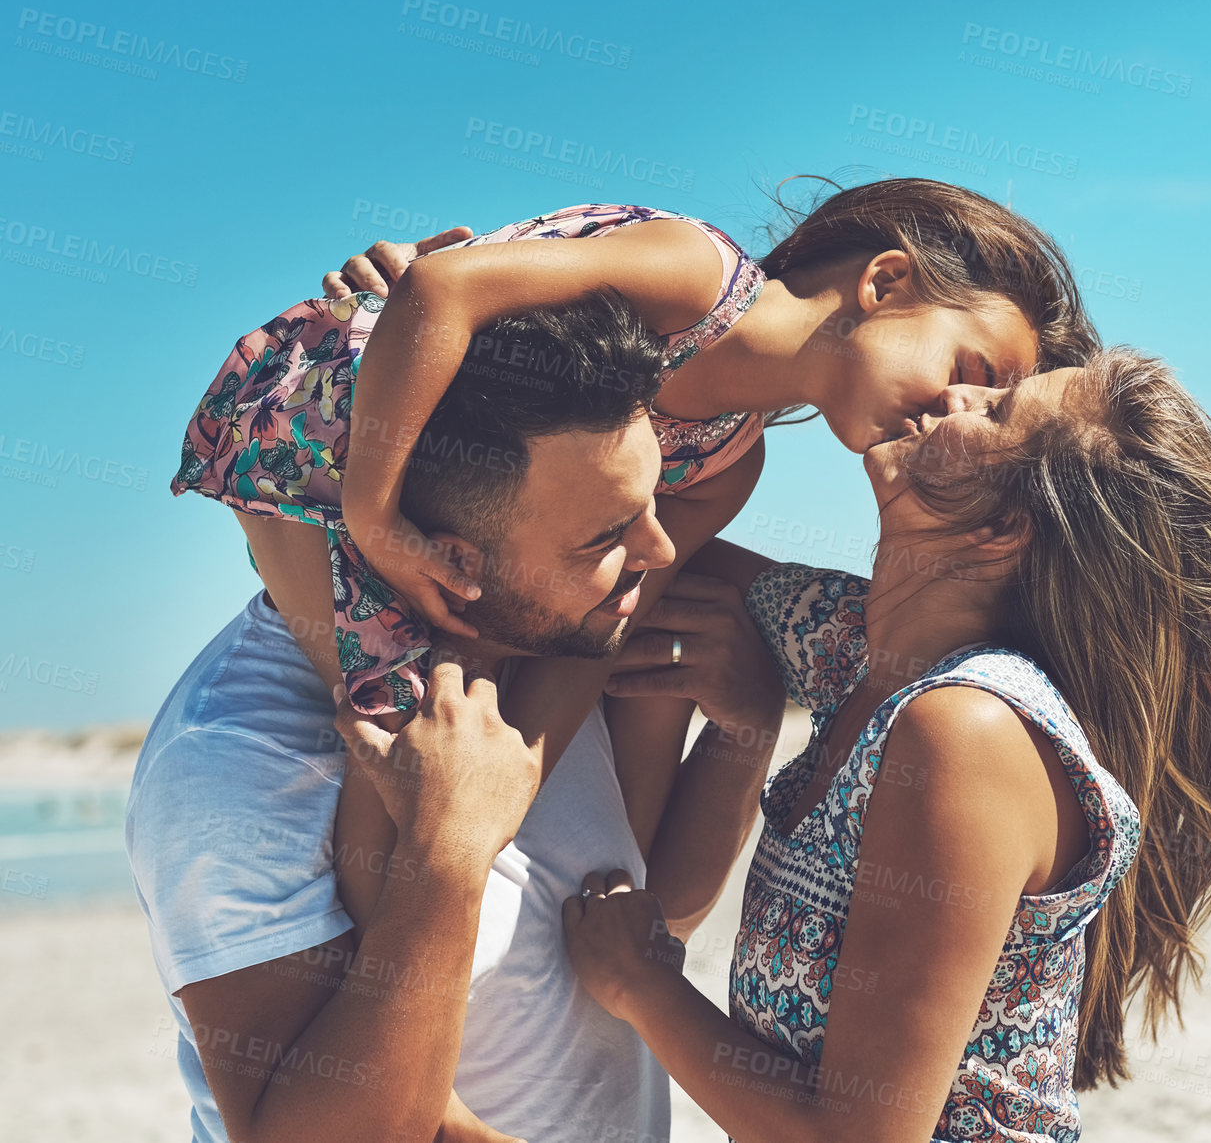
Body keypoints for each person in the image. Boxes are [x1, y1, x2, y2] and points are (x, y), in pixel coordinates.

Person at [172, 179, 1099, 941]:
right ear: (886, 282)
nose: (958, 415)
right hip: (319, 431)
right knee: (388, 712)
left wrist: (510, 782)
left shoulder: (730, 462)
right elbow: (443, 288)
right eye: (975, 371)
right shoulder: (696, 273)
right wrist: (374, 520)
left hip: (449, 520)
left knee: (427, 747)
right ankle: (381, 1003)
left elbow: (601, 631)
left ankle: (407, 978)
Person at [567, 347, 1211, 1141]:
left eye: (996, 410)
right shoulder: (853, 649)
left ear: (999, 529)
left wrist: (641, 983)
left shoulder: (966, 727)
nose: (956, 391)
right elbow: (659, 552)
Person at [129, 292, 705, 1143]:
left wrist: (740, 736)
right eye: (605, 538)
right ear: (453, 559)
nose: (658, 554)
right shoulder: (234, 757)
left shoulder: (544, 640)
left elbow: (627, 922)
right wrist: (446, 851)